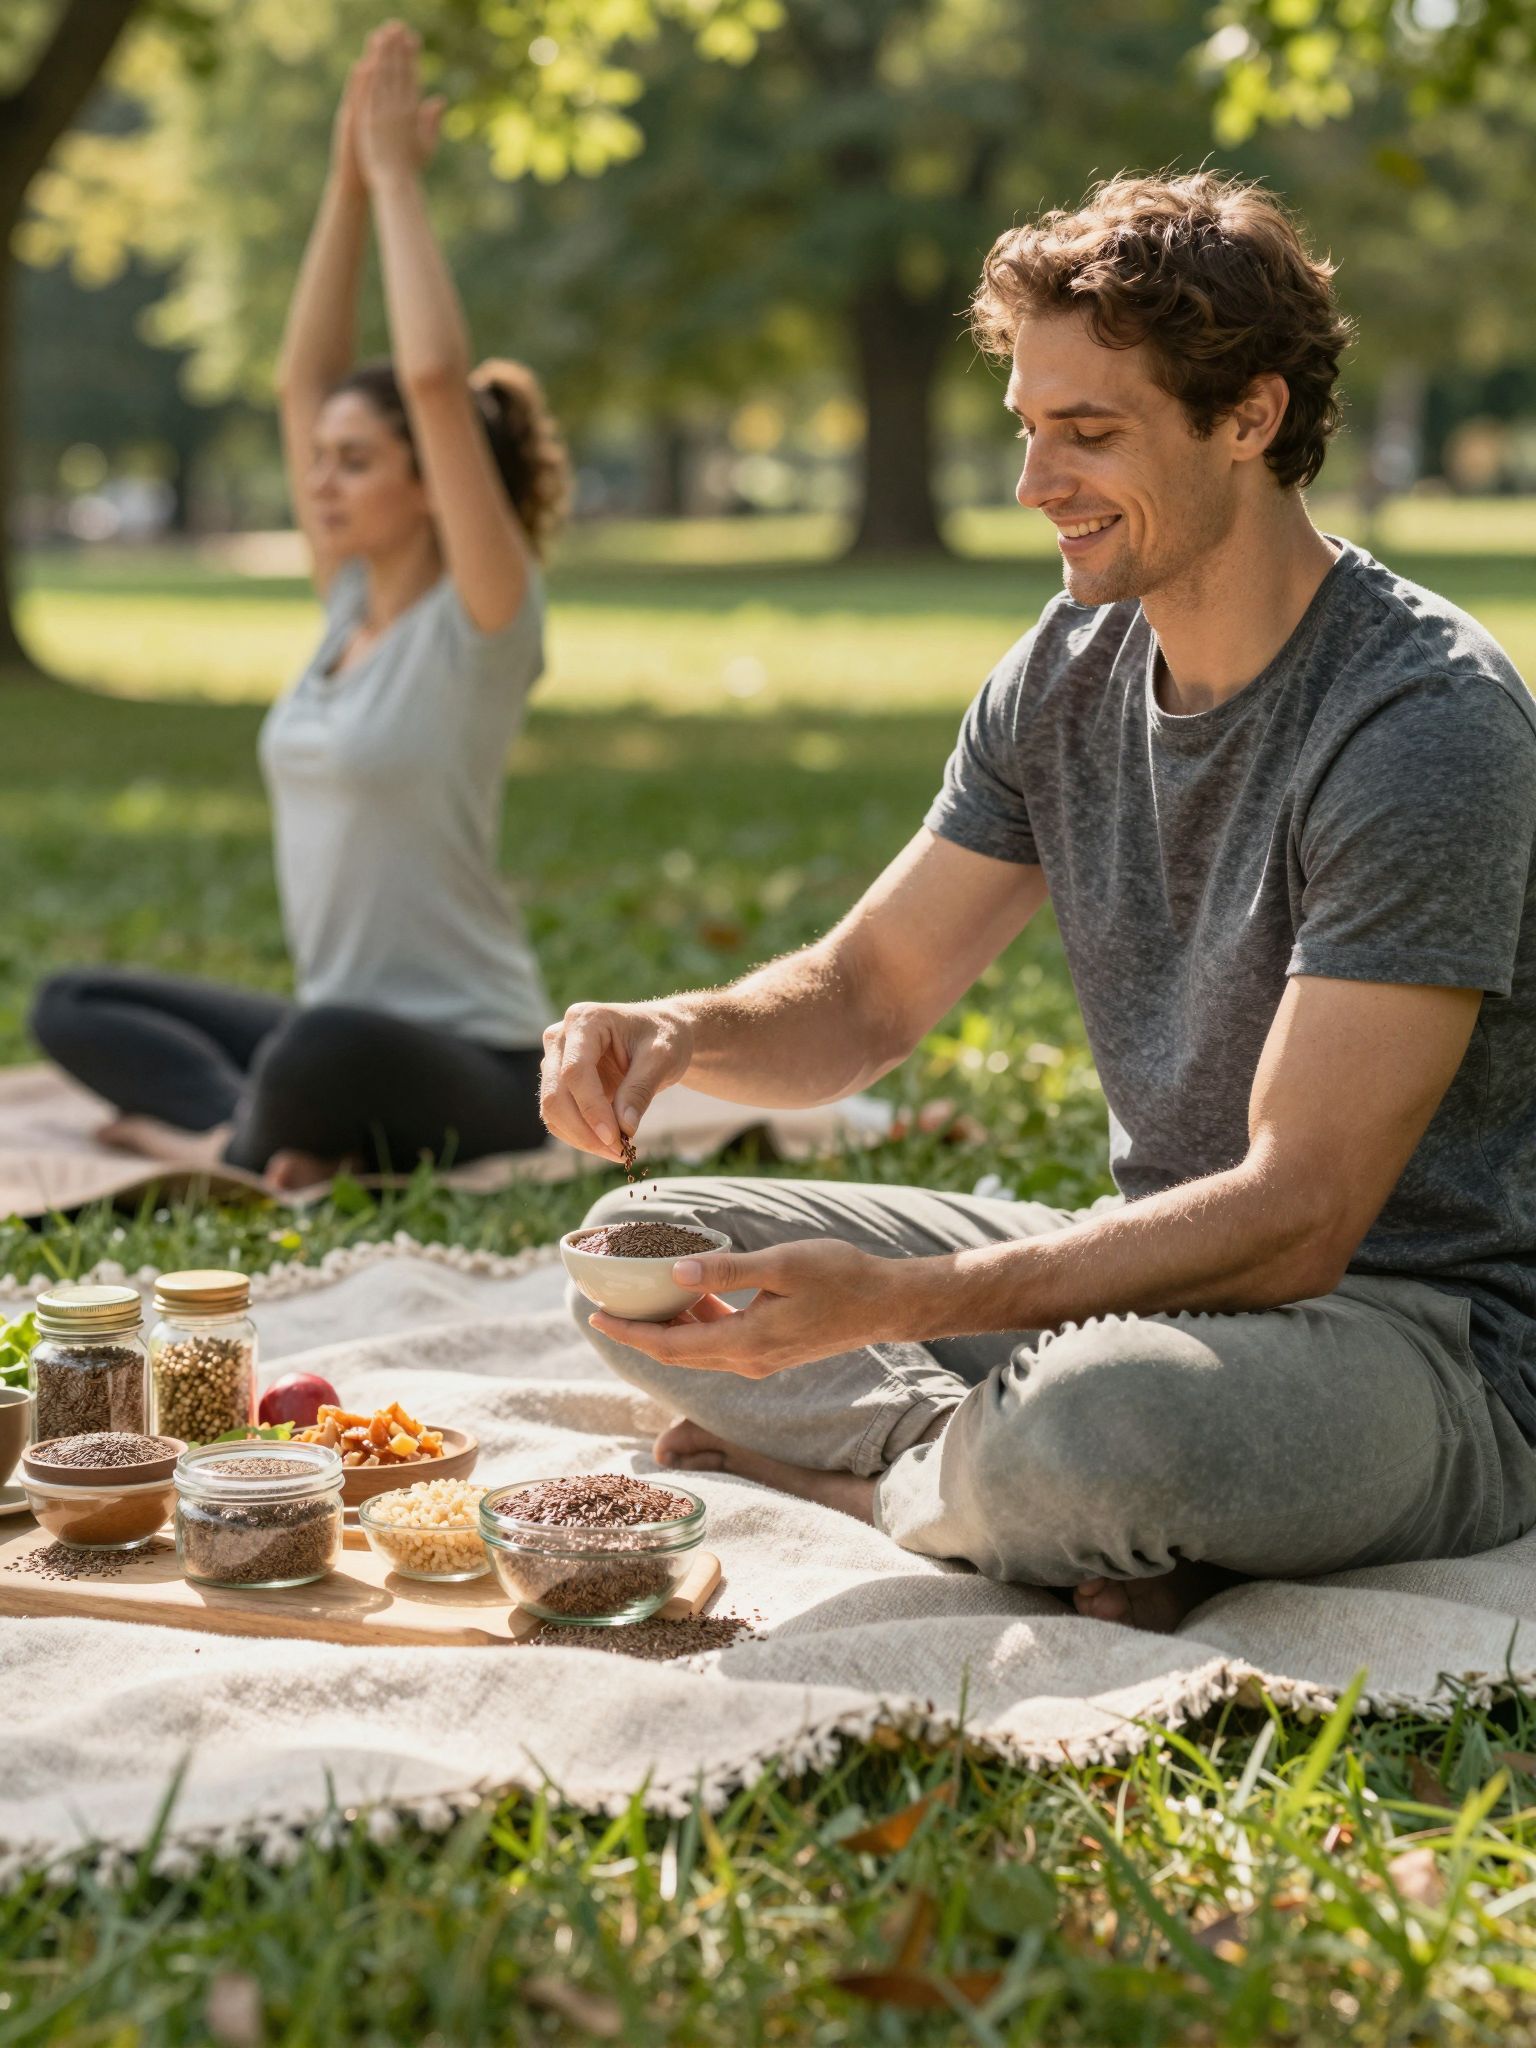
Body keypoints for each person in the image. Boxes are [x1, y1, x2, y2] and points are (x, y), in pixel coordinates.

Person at [546, 170, 1536, 1633]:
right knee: (658, 1258)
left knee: (1104, 1425)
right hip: (1157, 1288)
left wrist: (899, 1304)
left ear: (1250, 418)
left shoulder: (1421, 723)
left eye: (1090, 433)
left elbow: (1300, 1219)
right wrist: (678, 1030)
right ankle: (1020, 1501)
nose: (1034, 486)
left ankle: (908, 1483)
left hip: (1414, 1344)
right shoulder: (1070, 662)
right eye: (1028, 429)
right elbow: (870, 996)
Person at [31, 22, 565, 1191]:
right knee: (74, 1002)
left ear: (431, 481)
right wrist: (339, 180)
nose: (319, 480)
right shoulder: (346, 608)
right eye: (317, 459)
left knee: (319, 1045)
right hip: (340, 1027)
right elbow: (299, 377)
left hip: (474, 1060)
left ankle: (215, 1145)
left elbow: (430, 376)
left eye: (355, 461)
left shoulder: (484, 617)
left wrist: (395, 188)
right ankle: (266, 1129)